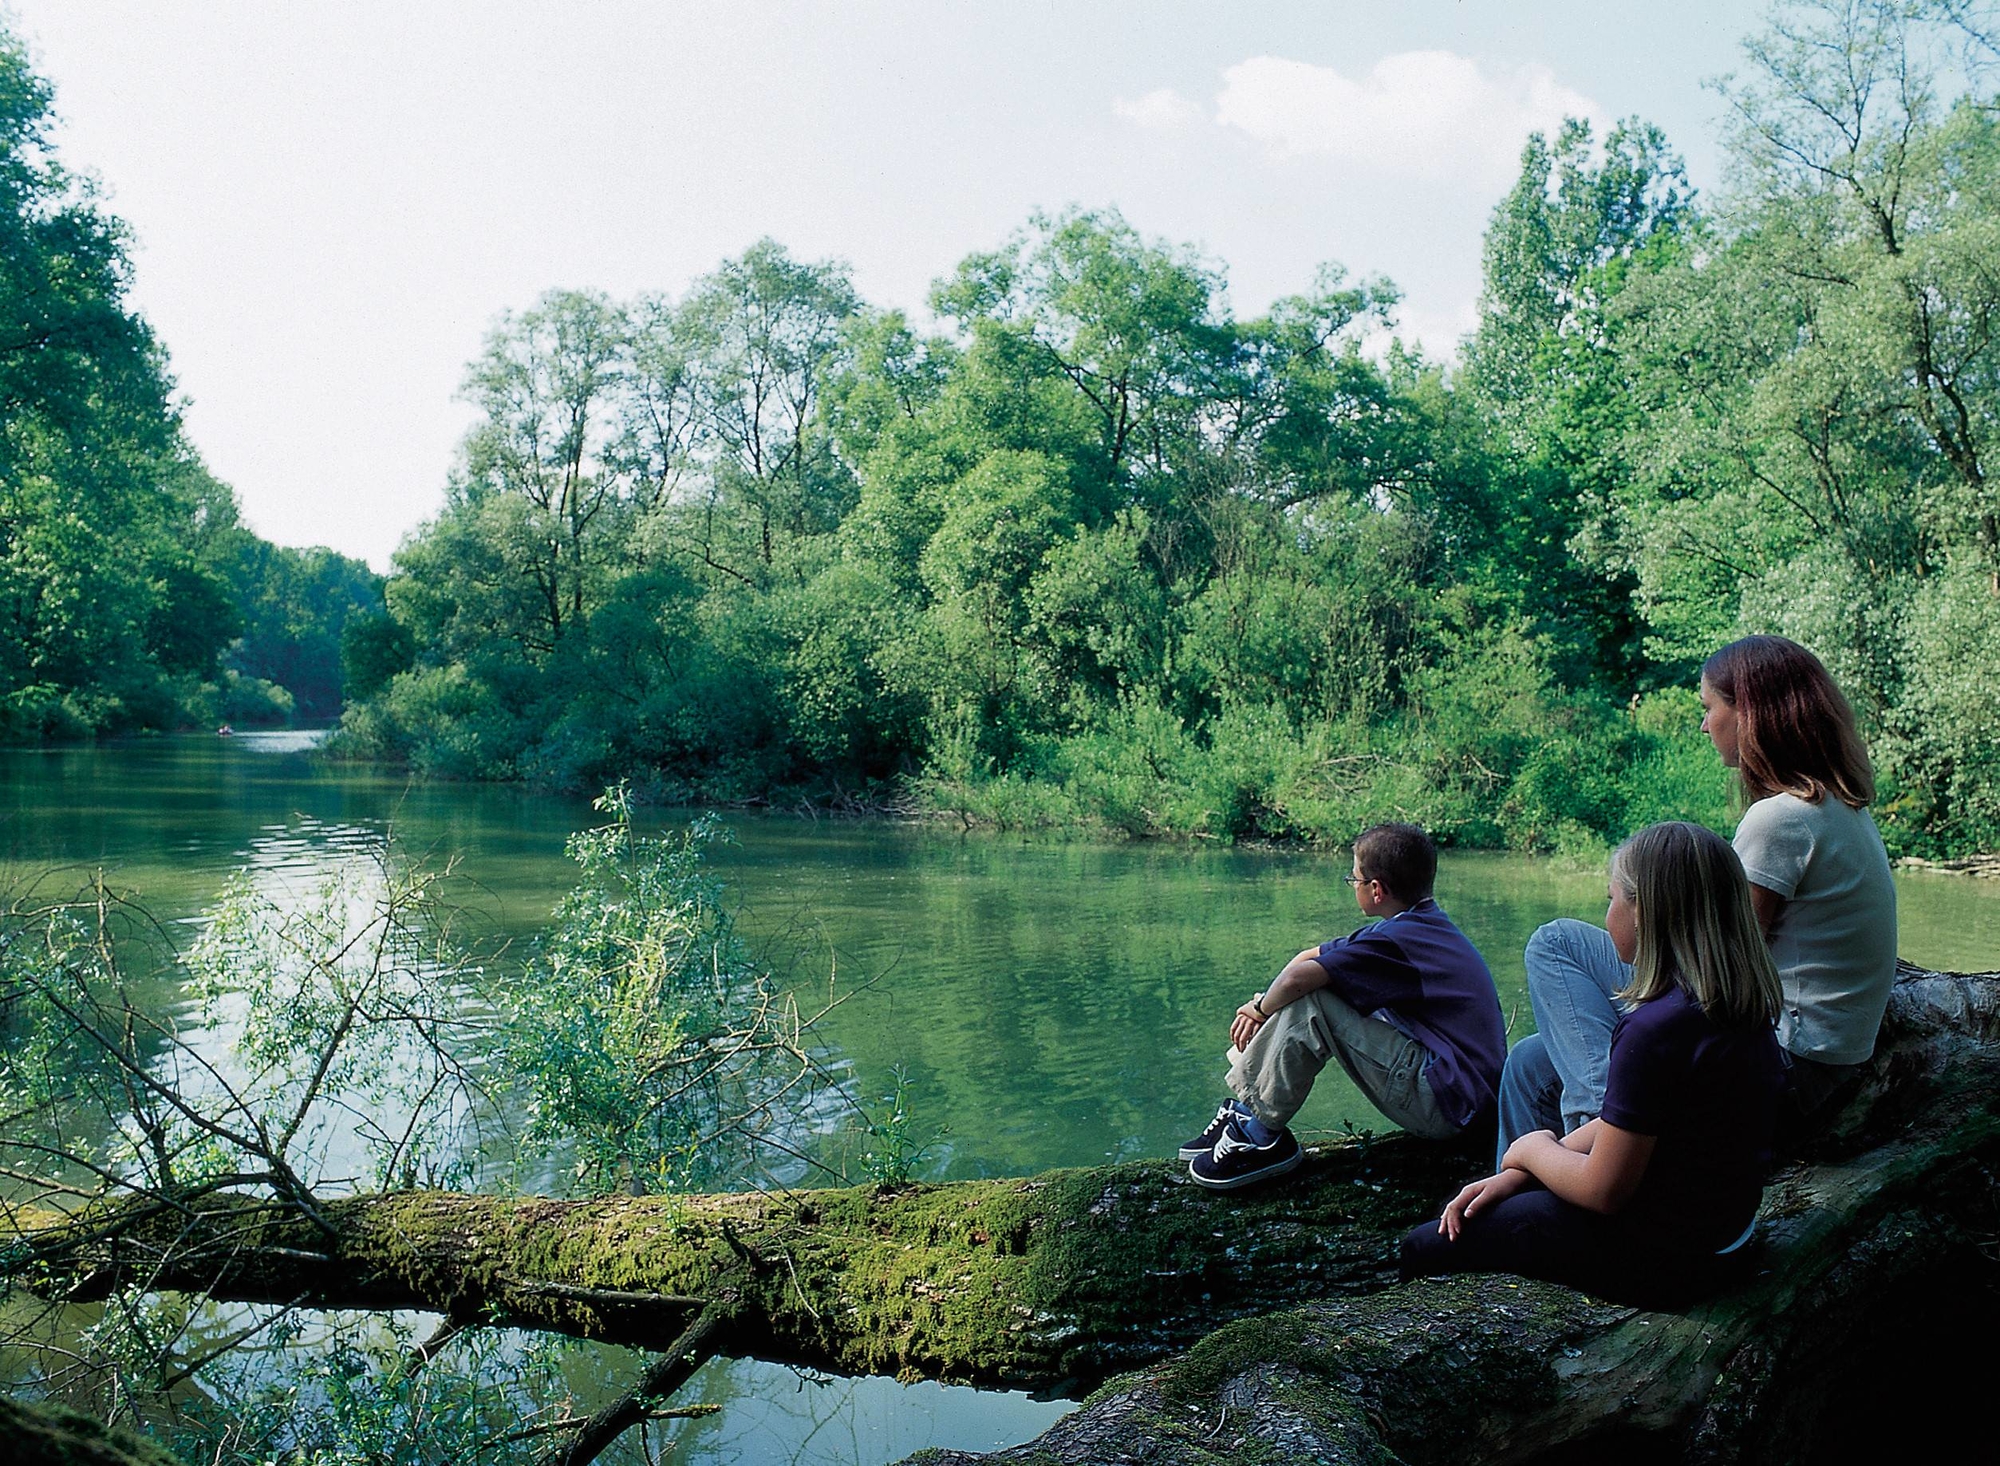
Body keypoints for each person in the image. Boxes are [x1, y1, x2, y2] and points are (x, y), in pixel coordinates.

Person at [1496, 636, 1897, 1161]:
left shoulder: (1781, 819)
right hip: (1821, 1063)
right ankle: (1514, 1217)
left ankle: (1602, 1136)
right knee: (1528, 1063)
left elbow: (1714, 971)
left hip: (1789, 1071)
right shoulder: (1837, 807)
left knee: (1555, 944)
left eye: (1710, 708)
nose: (1705, 725)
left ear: (1749, 713)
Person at [1401, 822, 1786, 1307]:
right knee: (1509, 1197)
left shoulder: (1652, 1031)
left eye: (1611, 900)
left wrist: (1532, 1149)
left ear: (1645, 911)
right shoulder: (1735, 1003)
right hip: (1727, 1240)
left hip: (1671, 1265)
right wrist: (1520, 1174)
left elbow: (1604, 1192)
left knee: (1421, 1247)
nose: (1606, 917)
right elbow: (1630, 1120)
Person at [1180, 823, 1506, 1190]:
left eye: (1354, 879)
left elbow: (1298, 981)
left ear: (1376, 889)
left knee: (1316, 999)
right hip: (1461, 1099)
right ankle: (1247, 1111)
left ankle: (1261, 1134)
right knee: (1316, 988)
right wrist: (1262, 1003)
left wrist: (1258, 1011)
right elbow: (1307, 958)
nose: (1353, 885)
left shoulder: (1398, 940)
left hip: (1450, 1106)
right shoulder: (1416, 925)